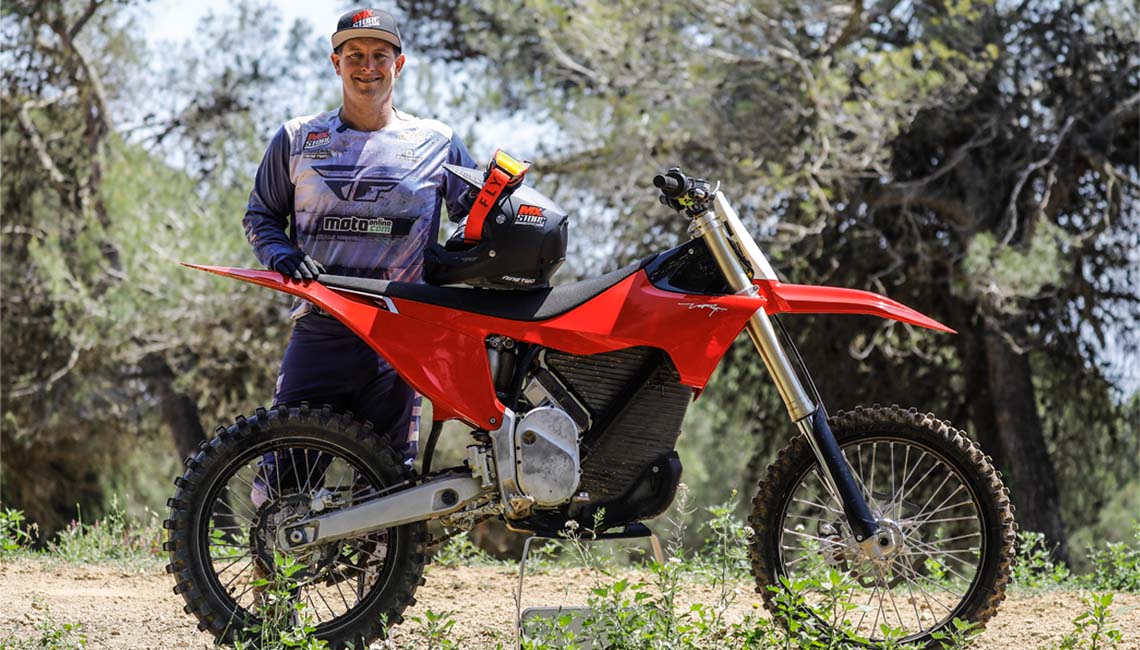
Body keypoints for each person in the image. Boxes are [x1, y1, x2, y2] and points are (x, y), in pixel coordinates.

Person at [242, 8, 475, 505]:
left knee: (391, 490)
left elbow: (475, 219)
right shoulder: (298, 138)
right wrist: (281, 254)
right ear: (336, 63)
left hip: (397, 336)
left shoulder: (437, 142)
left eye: (379, 56)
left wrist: (451, 263)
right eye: (354, 56)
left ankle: (378, 557)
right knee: (281, 482)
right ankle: (278, 556)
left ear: (399, 64)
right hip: (321, 327)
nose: (367, 66)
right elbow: (260, 215)